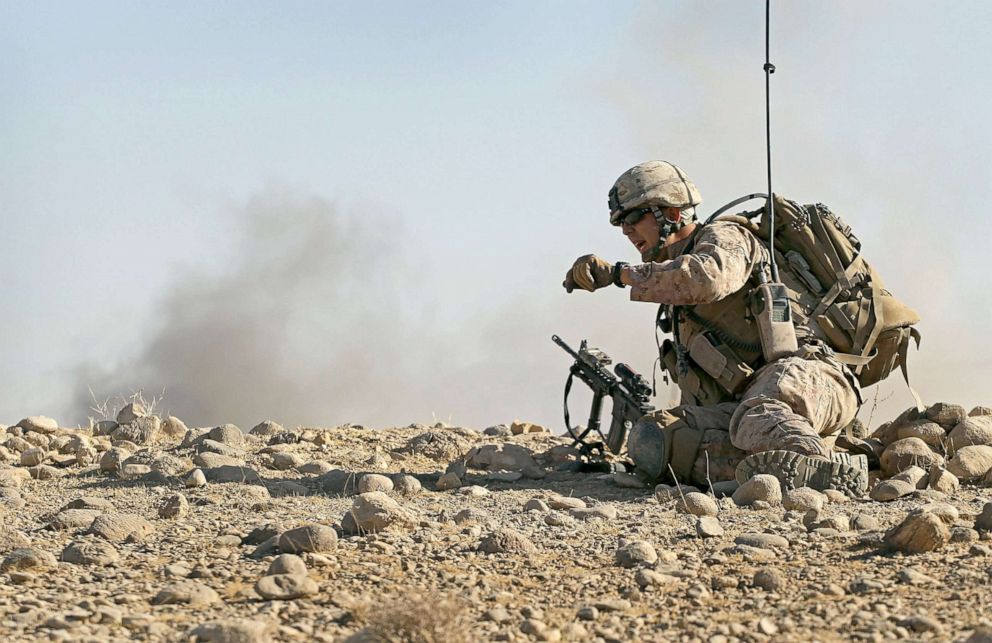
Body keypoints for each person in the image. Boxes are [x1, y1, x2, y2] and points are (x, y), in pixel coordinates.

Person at [563, 160, 868, 495]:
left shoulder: (726, 237)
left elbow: (706, 279)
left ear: (673, 214)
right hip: (746, 408)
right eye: (621, 223)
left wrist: (619, 274)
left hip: (809, 377)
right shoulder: (676, 302)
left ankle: (820, 468)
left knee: (758, 415)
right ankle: (774, 472)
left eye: (635, 217)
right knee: (657, 438)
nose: (626, 230)